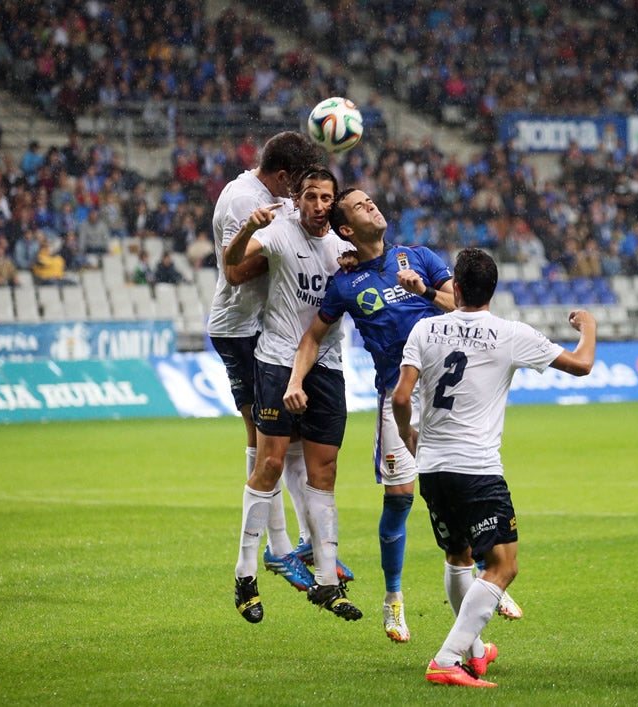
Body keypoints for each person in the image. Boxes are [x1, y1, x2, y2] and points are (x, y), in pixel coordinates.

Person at [284, 189, 525, 644]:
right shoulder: (345, 283)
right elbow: (313, 338)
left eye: (371, 200)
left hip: (445, 393)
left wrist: (426, 290)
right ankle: (394, 601)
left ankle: (485, 576)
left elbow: (465, 307)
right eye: (359, 206)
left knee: (463, 483)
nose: (372, 205)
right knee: (400, 497)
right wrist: (296, 381)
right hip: (398, 393)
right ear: (346, 230)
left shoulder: (418, 256)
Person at [392, 247, 597, 688]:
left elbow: (401, 397)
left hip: (433, 467)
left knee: (458, 555)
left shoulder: (424, 329)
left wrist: (410, 437)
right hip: (477, 469)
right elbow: (581, 365)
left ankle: (477, 651)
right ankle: (448, 658)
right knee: (503, 566)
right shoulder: (509, 333)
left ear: (457, 287)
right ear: (492, 290)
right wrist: (589, 327)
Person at [224, 166, 362, 624]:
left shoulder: (345, 247)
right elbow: (232, 264)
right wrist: (248, 227)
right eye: (310, 197)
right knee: (270, 464)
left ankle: (327, 582)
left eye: (327, 198)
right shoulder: (279, 232)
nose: (319, 206)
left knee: (324, 473)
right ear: (297, 199)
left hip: (328, 367)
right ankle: (245, 574)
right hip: (278, 362)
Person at [207, 131, 327, 596]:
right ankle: (276, 549)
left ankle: (301, 542)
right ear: (282, 175)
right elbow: (235, 271)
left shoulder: (274, 194)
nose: (300, 194)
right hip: (239, 328)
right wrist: (286, 258)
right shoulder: (243, 200)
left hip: (268, 328)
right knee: (265, 438)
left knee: (287, 436)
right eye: (296, 184)